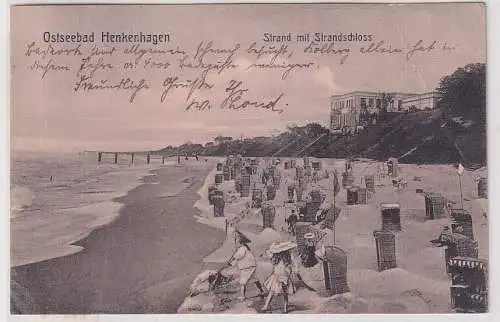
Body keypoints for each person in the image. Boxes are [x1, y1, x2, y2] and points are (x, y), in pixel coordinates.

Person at [224, 230, 264, 301]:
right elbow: (237, 260)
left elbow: (238, 256)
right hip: (251, 266)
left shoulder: (242, 249)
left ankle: (242, 296)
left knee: (243, 282)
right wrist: (231, 264)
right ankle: (262, 291)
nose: (236, 243)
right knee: (255, 279)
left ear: (240, 243)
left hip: (247, 267)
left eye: (237, 242)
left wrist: (231, 260)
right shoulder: (245, 248)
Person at [261, 241, 297, 313]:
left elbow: (270, 256)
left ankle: (266, 306)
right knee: (285, 293)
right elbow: (289, 268)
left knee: (272, 291)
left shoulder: (276, 257)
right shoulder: (287, 258)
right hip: (284, 277)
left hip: (277, 276)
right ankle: (285, 308)